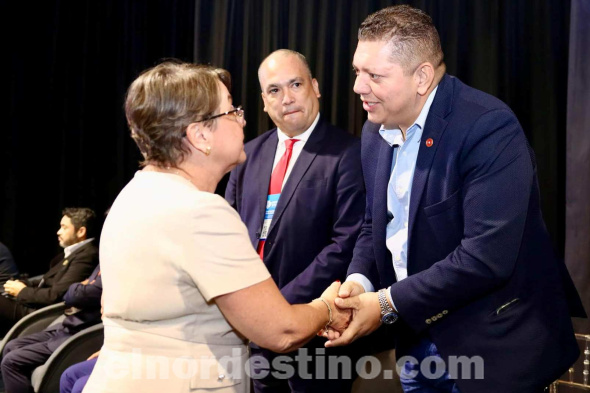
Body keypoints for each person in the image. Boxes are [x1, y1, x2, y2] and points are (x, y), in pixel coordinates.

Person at [322, 5, 586, 393]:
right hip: (416, 341)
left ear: (422, 77)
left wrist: (383, 305)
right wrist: (357, 286)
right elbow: (374, 225)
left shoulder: (487, 127)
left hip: (495, 346)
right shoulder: (373, 133)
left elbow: (485, 258)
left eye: (375, 75)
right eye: (357, 72)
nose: (359, 87)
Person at [81, 61, 349, 393]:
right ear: (200, 135)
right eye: (232, 112)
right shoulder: (199, 212)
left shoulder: (132, 194)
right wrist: (326, 307)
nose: (243, 120)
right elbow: (282, 332)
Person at [225, 49, 364, 392]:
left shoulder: (348, 153)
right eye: (274, 90)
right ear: (263, 101)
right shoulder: (245, 157)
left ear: (315, 87)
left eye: (296, 84)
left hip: (314, 334)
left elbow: (344, 244)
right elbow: (226, 235)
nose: (286, 98)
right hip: (251, 332)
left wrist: (278, 304)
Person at [1, 265, 102, 393]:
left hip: (80, 331)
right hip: (67, 323)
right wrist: (80, 286)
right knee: (11, 346)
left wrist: (78, 286)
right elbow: (51, 281)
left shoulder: (89, 254)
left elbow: (74, 294)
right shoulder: (102, 258)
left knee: (11, 361)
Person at [0, 208, 99, 335]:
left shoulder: (87, 255)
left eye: (64, 227)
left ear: (81, 231)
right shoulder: (73, 253)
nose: (58, 232)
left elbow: (56, 295)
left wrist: (22, 291)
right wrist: (17, 284)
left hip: (42, 314)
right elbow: (45, 281)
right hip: (35, 304)